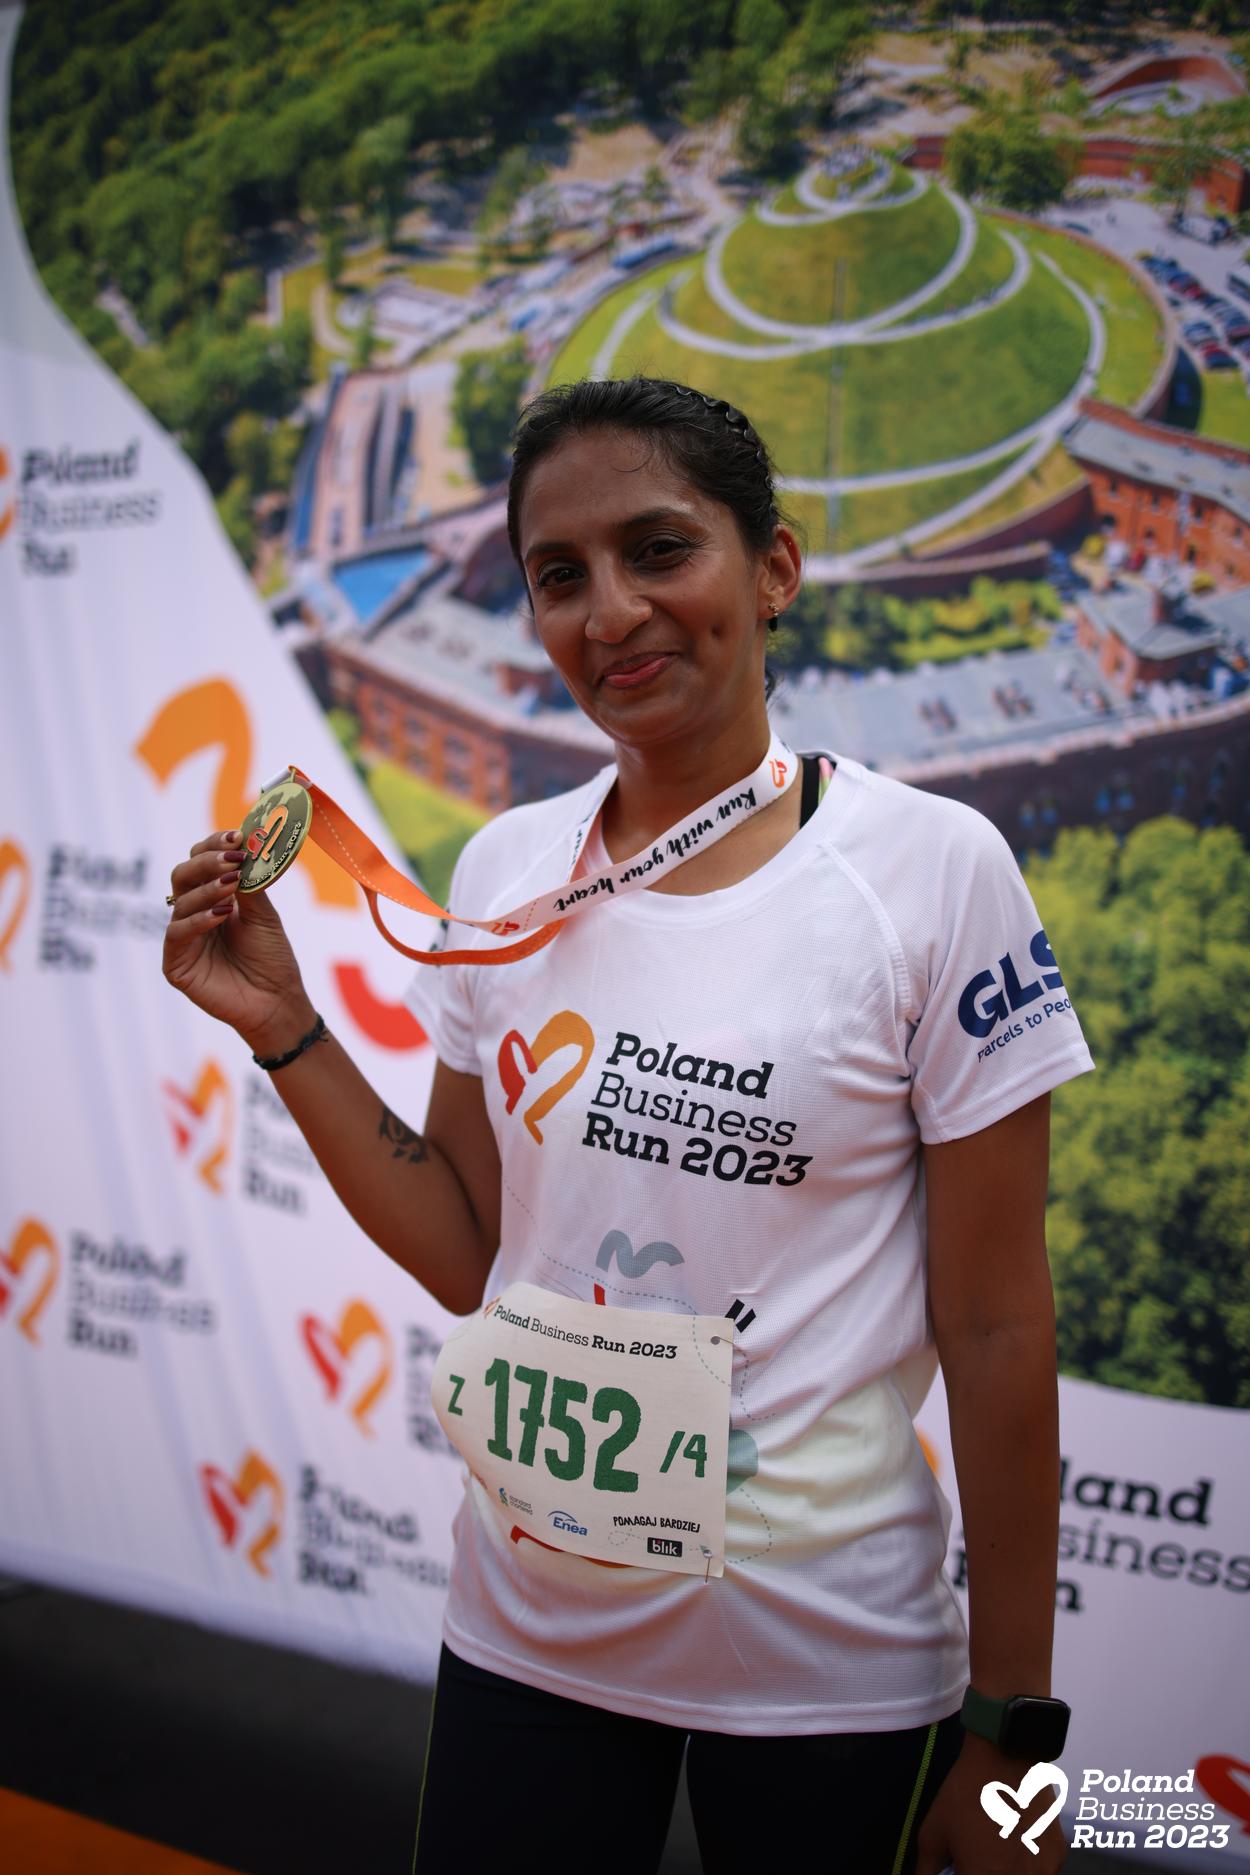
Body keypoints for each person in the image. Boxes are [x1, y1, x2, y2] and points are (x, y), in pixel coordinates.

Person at [164, 377, 1092, 1875]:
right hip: (525, 1632)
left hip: (826, 1666)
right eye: (560, 575)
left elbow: (995, 1329)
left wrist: (1015, 1739)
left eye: (659, 551)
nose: (610, 613)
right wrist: (283, 1027)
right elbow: (466, 1252)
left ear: (772, 569)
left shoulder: (933, 873)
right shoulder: (505, 869)